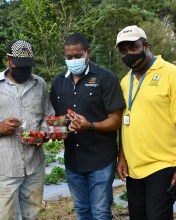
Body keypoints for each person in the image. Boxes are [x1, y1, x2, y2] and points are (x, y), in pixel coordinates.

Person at [115, 25, 176, 220]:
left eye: (133, 48)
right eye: (123, 51)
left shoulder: (172, 74)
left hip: (162, 166)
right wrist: (122, 157)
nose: (129, 54)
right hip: (134, 169)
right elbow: (125, 123)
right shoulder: (125, 82)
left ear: (146, 45)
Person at [0, 39, 54, 220]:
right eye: (19, 65)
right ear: (7, 61)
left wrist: (43, 134)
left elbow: (48, 116)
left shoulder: (39, 84)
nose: (23, 70)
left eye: (27, 66)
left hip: (34, 165)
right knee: (5, 216)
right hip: (3, 166)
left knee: (31, 214)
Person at [50, 33, 125, 219]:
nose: (73, 60)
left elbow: (116, 120)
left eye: (77, 56)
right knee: (82, 211)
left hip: (100, 159)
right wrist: (54, 131)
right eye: (69, 57)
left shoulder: (105, 78)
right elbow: (57, 119)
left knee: (100, 212)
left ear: (88, 52)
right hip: (73, 160)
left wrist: (89, 125)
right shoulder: (58, 82)